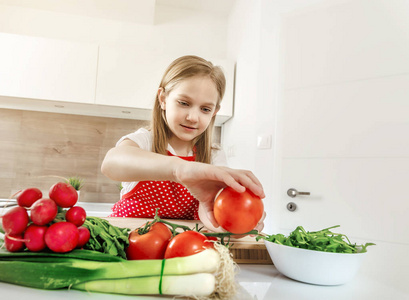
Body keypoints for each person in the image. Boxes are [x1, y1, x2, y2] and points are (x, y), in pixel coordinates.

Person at [101, 55, 265, 232]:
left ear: (214, 112)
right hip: (128, 241)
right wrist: (180, 169)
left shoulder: (213, 155)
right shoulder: (144, 141)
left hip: (181, 249)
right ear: (163, 99)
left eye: (205, 109)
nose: (193, 117)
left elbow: (209, 210)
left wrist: (230, 222)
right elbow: (111, 163)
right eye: (184, 103)